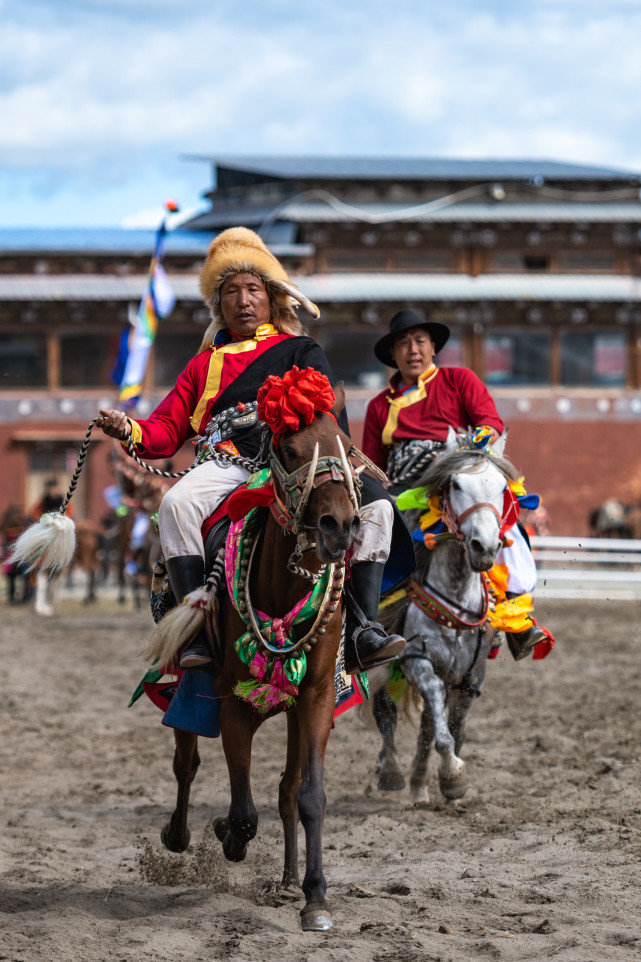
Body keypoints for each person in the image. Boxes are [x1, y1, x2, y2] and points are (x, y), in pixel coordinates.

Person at [97, 227, 408, 673]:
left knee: (377, 509)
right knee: (177, 505)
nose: (243, 300)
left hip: (299, 462)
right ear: (218, 304)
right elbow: (167, 428)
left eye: (252, 289)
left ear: (271, 298)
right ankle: (195, 633)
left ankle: (362, 627)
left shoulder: (301, 348)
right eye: (231, 292)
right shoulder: (203, 364)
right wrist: (129, 427)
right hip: (227, 464)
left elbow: (325, 414)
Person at [362, 308, 548, 660]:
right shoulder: (377, 406)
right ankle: (365, 624)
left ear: (433, 347)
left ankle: (517, 619)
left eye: (420, 341)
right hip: (402, 491)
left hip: (454, 479)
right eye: (403, 343)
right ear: (392, 354)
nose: (412, 350)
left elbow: (490, 422)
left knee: (499, 520)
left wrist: (477, 441)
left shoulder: (459, 380)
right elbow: (373, 464)